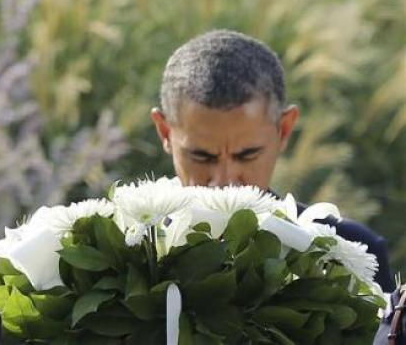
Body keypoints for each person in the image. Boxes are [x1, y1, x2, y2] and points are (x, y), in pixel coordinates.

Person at [151, 29, 395, 292]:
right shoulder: (123, 250)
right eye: (201, 156)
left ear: (284, 130)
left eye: (246, 155)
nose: (224, 180)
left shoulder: (351, 254)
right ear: (165, 132)